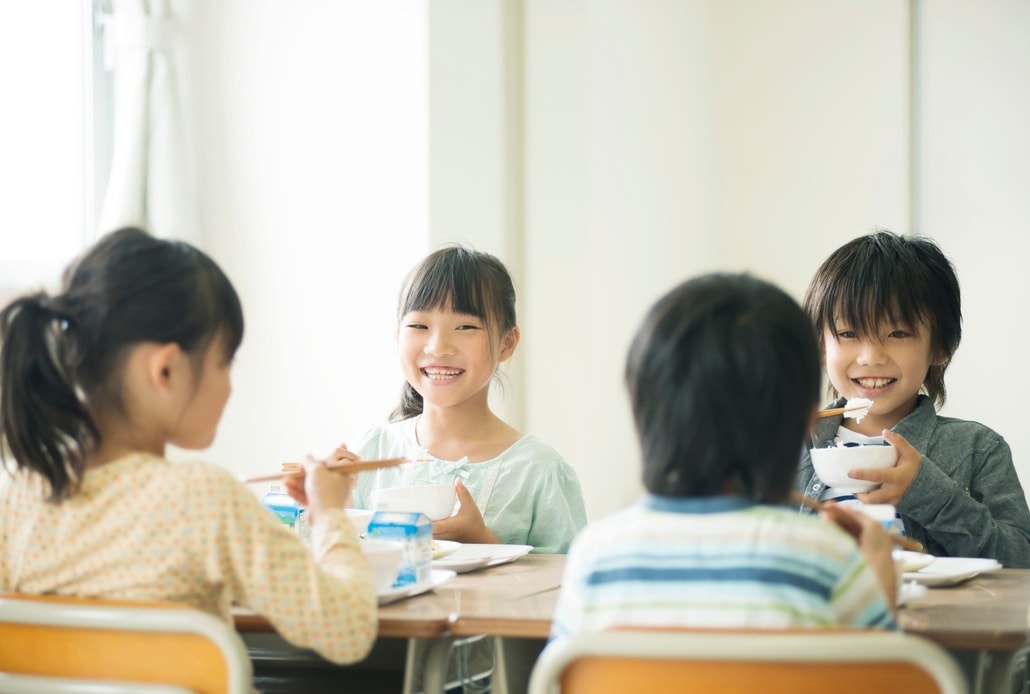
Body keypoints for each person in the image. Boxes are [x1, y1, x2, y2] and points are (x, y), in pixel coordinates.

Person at [0, 228, 378, 668]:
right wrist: (329, 512)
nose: (230, 384)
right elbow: (348, 630)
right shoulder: (204, 500)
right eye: (224, 361)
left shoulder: (19, 494)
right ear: (165, 371)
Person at [551, 273, 897, 640]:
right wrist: (880, 589)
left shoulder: (595, 557)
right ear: (808, 420)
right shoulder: (827, 560)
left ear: (644, 409)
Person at [796, 230, 1030, 569]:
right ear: (822, 346)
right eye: (849, 333)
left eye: (898, 333)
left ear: (941, 346)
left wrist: (931, 495)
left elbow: (1027, 568)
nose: (870, 357)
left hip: (931, 622)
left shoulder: (977, 448)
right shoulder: (787, 446)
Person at [351, 245, 587, 554]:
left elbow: (568, 589)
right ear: (398, 337)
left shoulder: (538, 471)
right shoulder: (371, 453)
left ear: (507, 342)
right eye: (419, 326)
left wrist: (483, 543)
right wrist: (329, 507)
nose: (438, 348)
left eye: (465, 327)